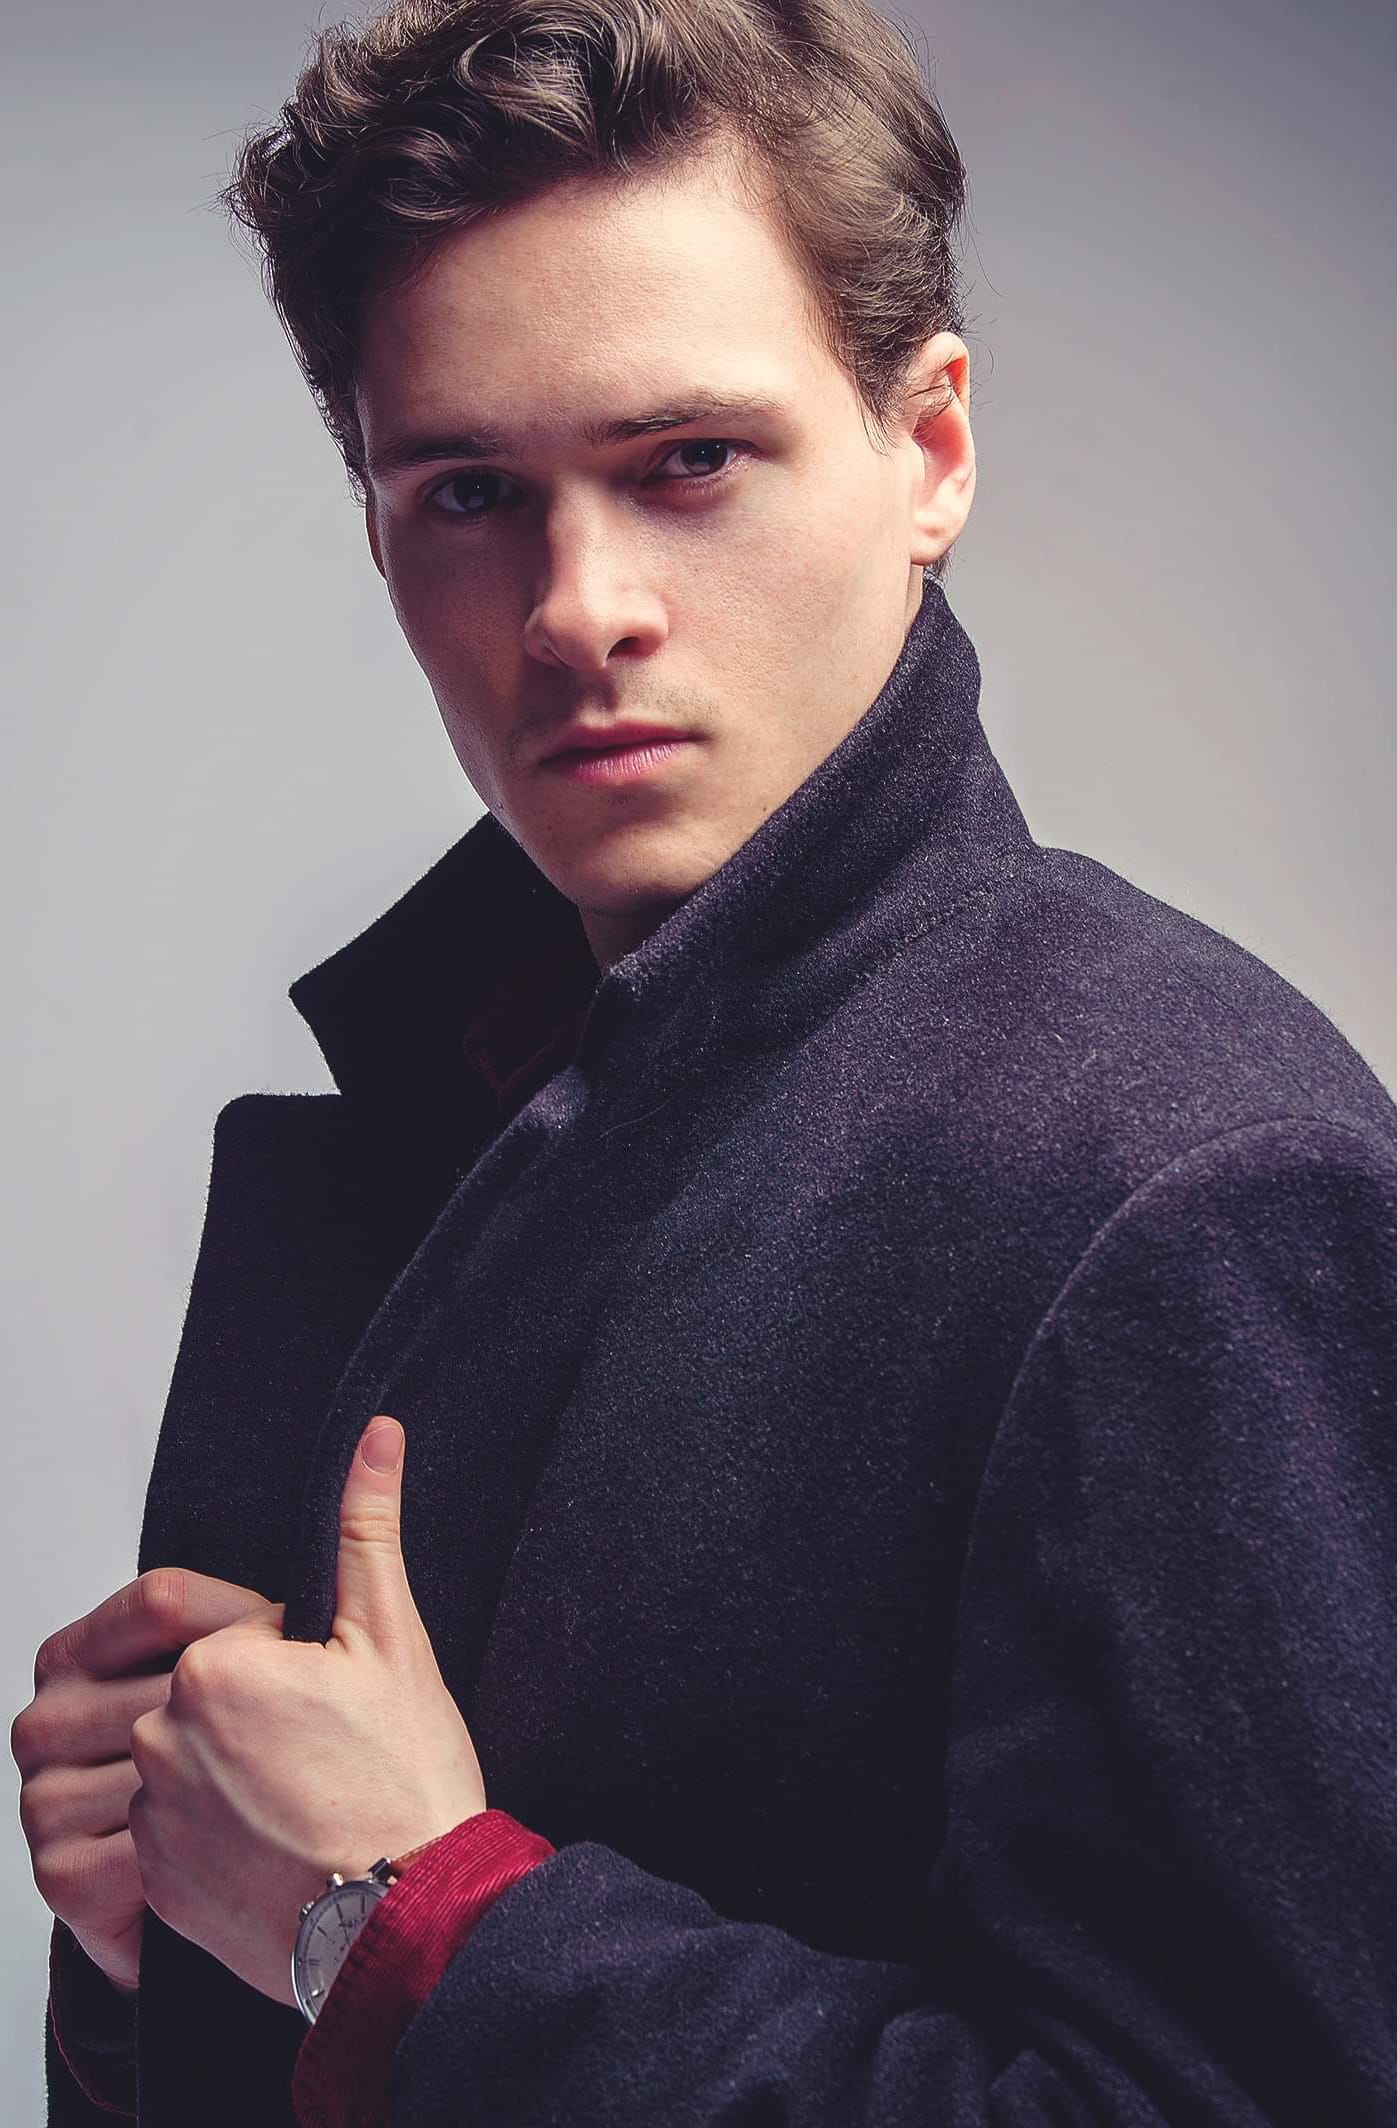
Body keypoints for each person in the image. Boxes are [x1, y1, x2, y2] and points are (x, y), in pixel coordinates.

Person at [14, 0, 1397, 2121]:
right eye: (471, 490)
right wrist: (165, 1943)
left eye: (688, 462)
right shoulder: (463, 1104)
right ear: (375, 524)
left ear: (927, 451)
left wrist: (400, 1920)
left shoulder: (1183, 1181)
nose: (579, 608)